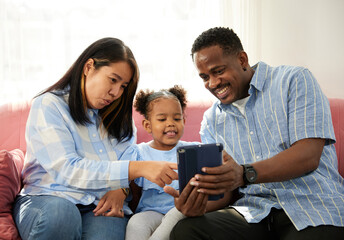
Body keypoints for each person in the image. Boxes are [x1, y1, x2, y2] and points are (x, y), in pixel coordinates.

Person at [164, 27, 344, 239]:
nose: (212, 84)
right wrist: (198, 204)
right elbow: (226, 191)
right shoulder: (212, 120)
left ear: (242, 60)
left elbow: (308, 155)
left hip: (312, 206)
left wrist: (244, 173)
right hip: (253, 213)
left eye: (218, 71)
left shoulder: (294, 80)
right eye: (205, 77)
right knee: (186, 231)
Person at [12, 37, 178, 240]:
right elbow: (68, 170)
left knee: (108, 229)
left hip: (100, 203)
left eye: (123, 86)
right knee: (62, 215)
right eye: (113, 79)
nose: (115, 93)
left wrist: (122, 189)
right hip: (48, 198)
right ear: (89, 67)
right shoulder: (49, 105)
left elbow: (125, 160)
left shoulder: (120, 120)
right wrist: (138, 168)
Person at [122, 85, 231, 240]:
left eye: (177, 118)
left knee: (174, 215)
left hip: (182, 210)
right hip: (150, 211)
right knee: (136, 222)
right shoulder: (138, 153)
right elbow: (134, 191)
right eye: (162, 119)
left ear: (184, 121)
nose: (171, 123)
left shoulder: (194, 149)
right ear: (148, 125)